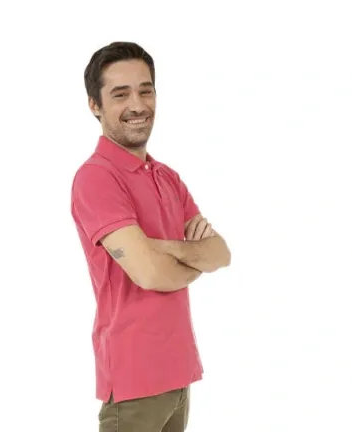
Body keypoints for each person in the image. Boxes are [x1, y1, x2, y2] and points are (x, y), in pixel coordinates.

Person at [70, 41, 232, 431]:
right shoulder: (97, 177)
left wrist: (161, 247)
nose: (137, 104)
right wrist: (192, 258)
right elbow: (150, 274)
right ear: (94, 105)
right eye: (120, 94)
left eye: (146, 90)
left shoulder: (167, 177)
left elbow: (220, 253)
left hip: (178, 374)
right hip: (134, 381)